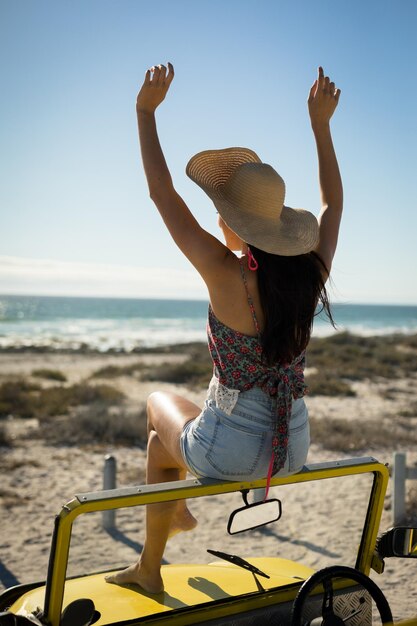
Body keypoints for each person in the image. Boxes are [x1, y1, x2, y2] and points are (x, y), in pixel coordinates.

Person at [106, 63, 342, 593]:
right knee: (170, 431)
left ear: (235, 224)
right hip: (293, 446)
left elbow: (162, 193)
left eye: (222, 210)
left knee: (155, 412)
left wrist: (144, 112)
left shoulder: (222, 270)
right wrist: (321, 125)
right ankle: (172, 508)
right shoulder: (311, 274)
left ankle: (150, 564)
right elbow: (332, 206)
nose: (216, 218)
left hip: (232, 449)